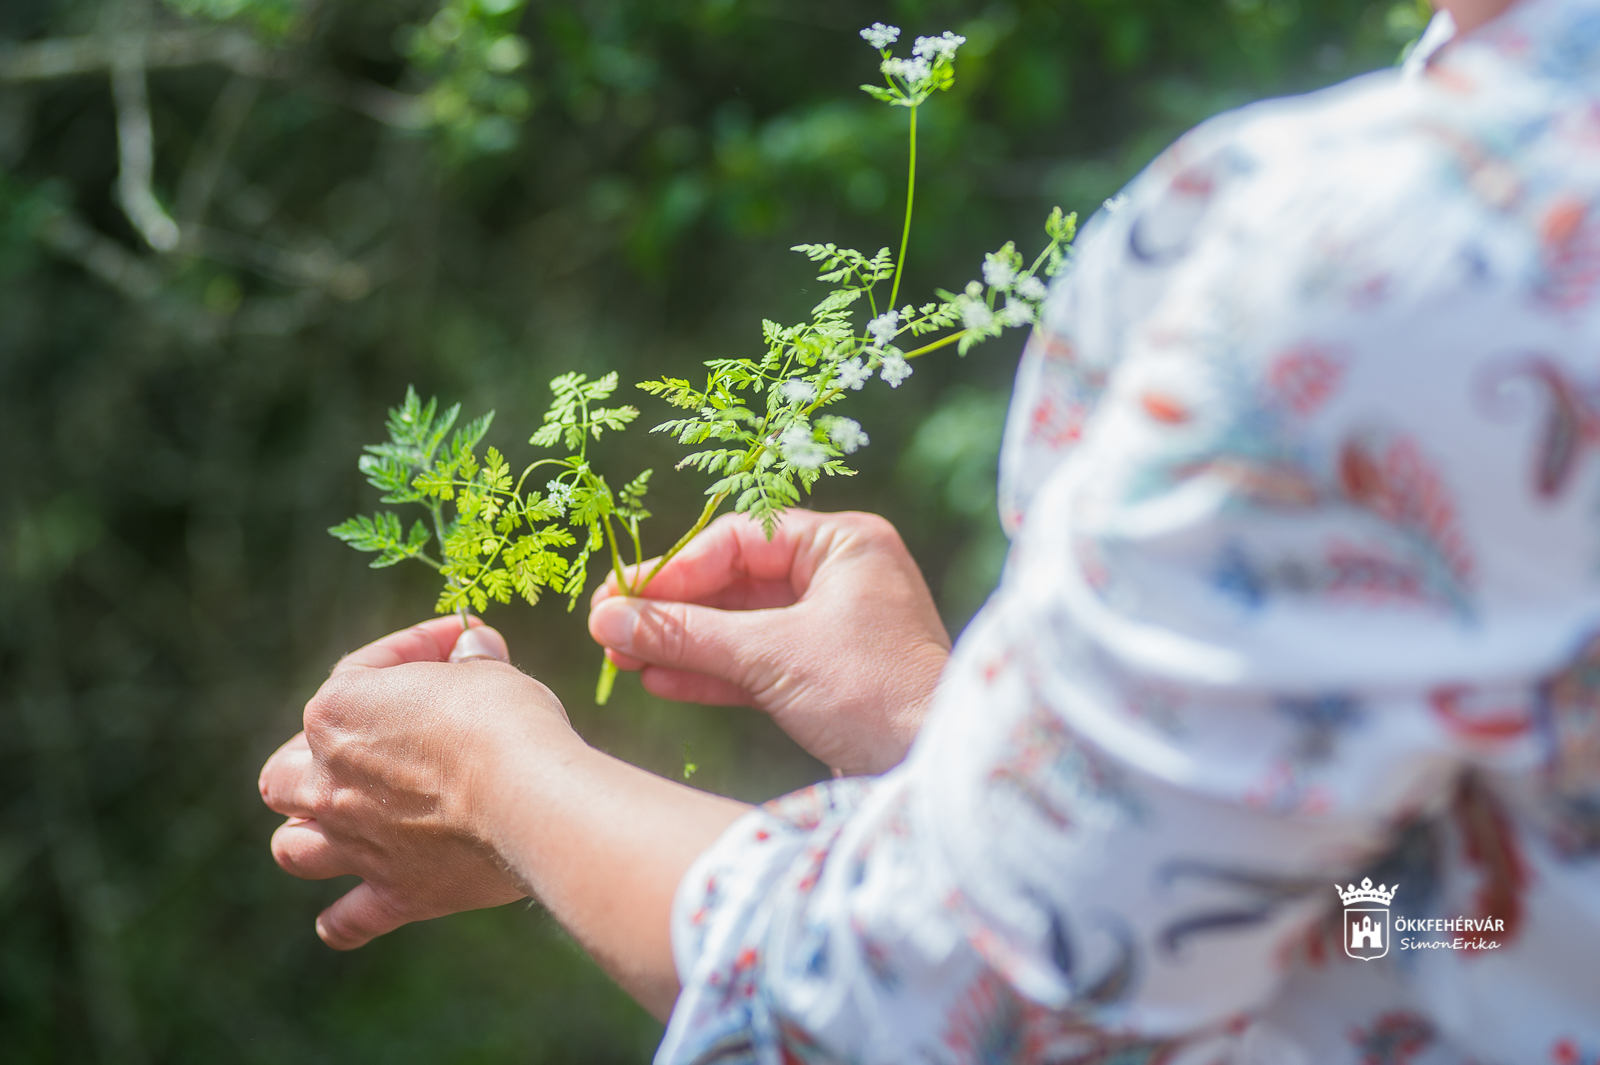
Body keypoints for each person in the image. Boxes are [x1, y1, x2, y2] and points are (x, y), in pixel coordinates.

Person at [259, 0, 1600, 1057]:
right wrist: (953, 738)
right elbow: (1469, 927)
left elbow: (931, 1002)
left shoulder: (1399, 256)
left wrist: (506, 780)